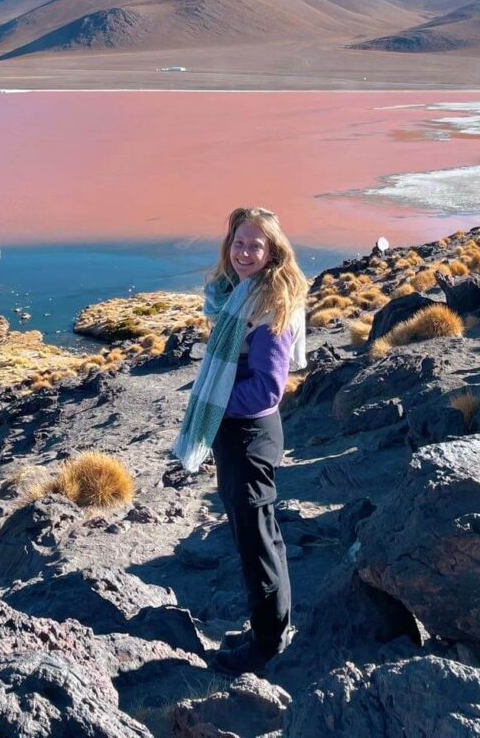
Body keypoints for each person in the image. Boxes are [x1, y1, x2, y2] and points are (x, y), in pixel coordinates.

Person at [172, 207, 308, 676]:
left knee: (257, 543)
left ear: (272, 251)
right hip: (240, 434)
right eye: (238, 243)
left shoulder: (269, 305)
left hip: (250, 433)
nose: (244, 252)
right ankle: (270, 627)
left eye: (255, 244)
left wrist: (212, 401)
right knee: (260, 535)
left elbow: (267, 388)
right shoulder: (239, 296)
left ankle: (266, 646)